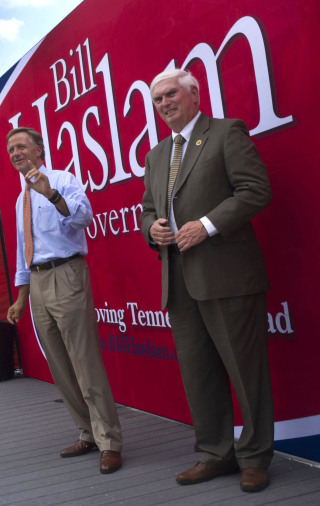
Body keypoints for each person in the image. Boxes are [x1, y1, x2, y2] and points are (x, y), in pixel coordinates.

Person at [140, 69, 273, 493]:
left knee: (245, 370)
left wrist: (207, 225)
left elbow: (255, 190)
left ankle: (255, 457)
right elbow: (146, 209)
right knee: (199, 373)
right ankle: (217, 454)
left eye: (171, 94)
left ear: (194, 94)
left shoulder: (225, 132)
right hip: (177, 279)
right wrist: (152, 230)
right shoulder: (157, 154)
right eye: (158, 99)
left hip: (227, 273)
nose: (164, 103)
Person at [5, 127, 123, 474]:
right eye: (11, 149)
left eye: (21, 146)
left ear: (39, 151)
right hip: (38, 282)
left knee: (85, 363)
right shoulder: (19, 198)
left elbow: (84, 218)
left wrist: (53, 195)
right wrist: (20, 297)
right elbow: (23, 251)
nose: (15, 153)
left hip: (66, 275)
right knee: (60, 365)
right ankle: (87, 432)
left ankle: (110, 441)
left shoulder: (63, 179)